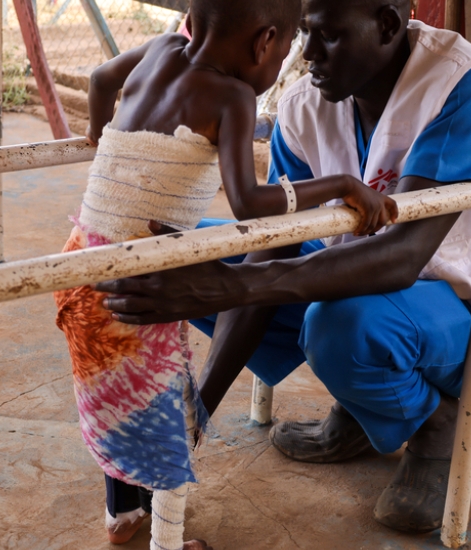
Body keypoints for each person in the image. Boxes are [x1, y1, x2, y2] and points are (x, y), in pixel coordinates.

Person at [95, 0, 471, 536]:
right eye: (303, 33)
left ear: (387, 25)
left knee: (342, 326)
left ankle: (436, 424)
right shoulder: (307, 100)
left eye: (328, 37)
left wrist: (228, 287)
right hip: (364, 283)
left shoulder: (466, 86)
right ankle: (369, 408)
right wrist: (193, 420)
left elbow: (404, 255)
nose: (306, 54)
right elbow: (272, 245)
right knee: (177, 257)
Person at [53, 1, 397, 548]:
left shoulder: (161, 49)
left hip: (81, 260)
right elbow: (249, 202)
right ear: (263, 43)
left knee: (114, 395)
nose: (287, 62)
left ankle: (122, 516)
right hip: (143, 273)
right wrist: (342, 186)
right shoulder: (232, 97)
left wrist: (100, 134)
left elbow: (99, 79)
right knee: (166, 413)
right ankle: (168, 541)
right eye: (286, 52)